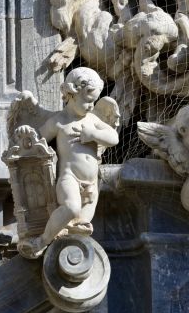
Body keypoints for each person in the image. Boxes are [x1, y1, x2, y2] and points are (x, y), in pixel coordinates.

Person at [23, 68, 120, 255]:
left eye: (94, 102)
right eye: (88, 101)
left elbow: (113, 138)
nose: (91, 106)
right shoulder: (59, 122)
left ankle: (66, 246)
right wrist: (26, 133)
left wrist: (93, 134)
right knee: (71, 207)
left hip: (92, 184)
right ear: (72, 94)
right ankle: (42, 241)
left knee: (81, 227)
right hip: (70, 178)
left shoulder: (91, 120)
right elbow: (36, 140)